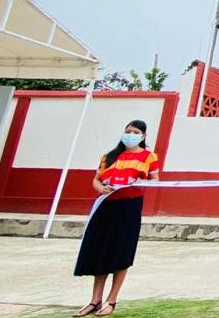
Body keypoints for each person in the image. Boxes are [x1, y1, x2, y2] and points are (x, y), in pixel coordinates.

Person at [73, 120, 159, 317]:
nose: (130, 134)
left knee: (121, 253)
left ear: (143, 136)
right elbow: (96, 179)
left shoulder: (148, 157)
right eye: (128, 131)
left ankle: (112, 300)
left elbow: (155, 181)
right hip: (105, 206)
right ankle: (95, 300)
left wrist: (139, 182)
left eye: (135, 132)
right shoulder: (109, 156)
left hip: (129, 208)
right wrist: (100, 188)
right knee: (100, 251)